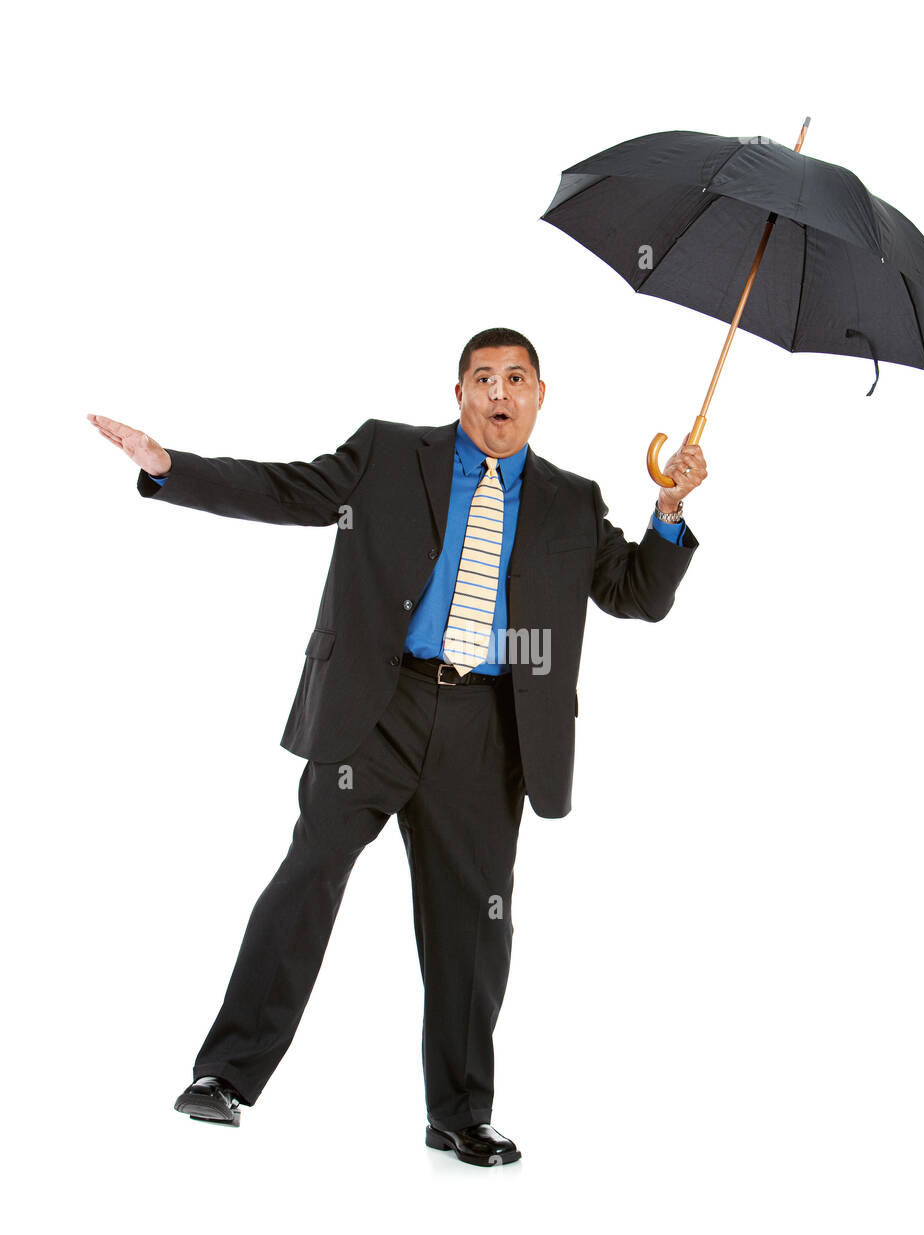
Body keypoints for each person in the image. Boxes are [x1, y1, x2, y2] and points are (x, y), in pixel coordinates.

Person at [87, 327, 706, 1167]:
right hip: (378, 708)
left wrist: (667, 509)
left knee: (474, 925)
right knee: (309, 876)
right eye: (483, 378)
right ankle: (225, 1078)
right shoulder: (387, 454)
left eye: (516, 378)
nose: (499, 392)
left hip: (489, 729)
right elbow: (287, 490)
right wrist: (170, 466)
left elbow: (635, 594)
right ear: (458, 395)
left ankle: (460, 1113)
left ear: (540, 396)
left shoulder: (570, 499)